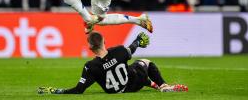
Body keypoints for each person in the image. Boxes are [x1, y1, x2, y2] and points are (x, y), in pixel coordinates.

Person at [38, 31, 188, 94]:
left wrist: (58, 91)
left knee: (130, 68)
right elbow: (131, 49)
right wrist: (137, 41)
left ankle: (157, 86)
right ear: (104, 42)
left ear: (90, 48)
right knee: (144, 63)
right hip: (135, 83)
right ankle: (162, 85)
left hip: (116, 90)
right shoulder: (119, 51)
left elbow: (78, 90)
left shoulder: (90, 67)